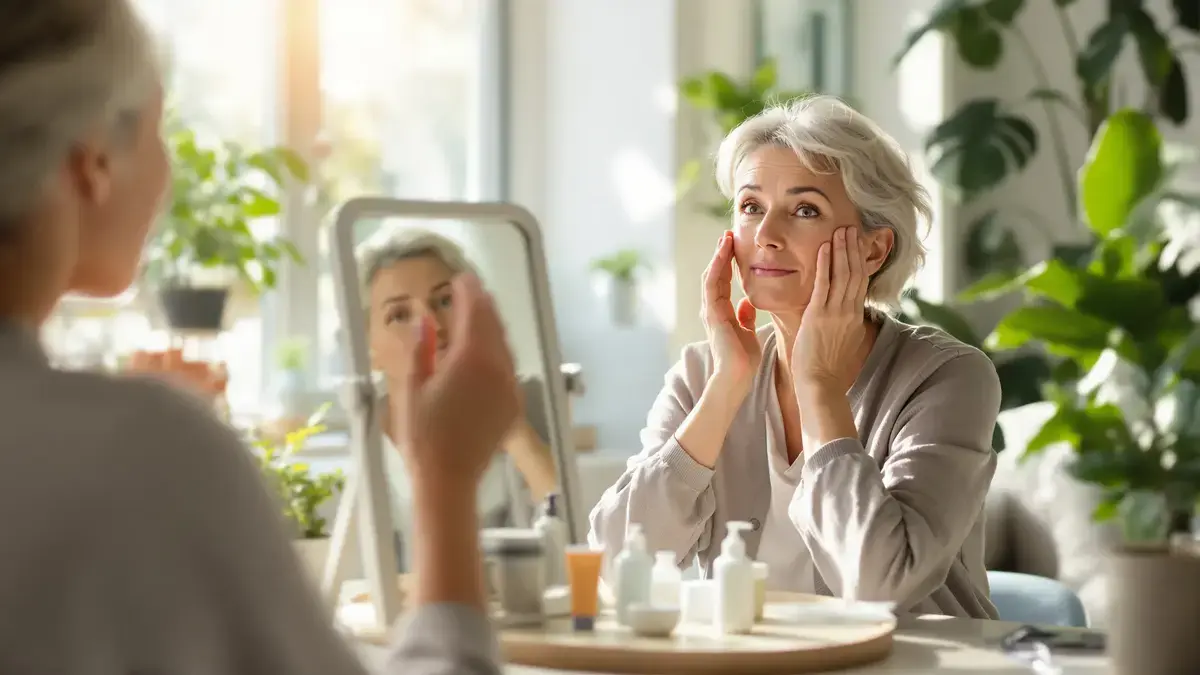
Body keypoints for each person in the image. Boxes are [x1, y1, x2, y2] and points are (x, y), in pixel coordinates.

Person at [0, 1, 508, 673]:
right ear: (93, 159)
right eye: (163, 131)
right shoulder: (138, 448)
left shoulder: (128, 447)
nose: (170, 174)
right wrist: (444, 481)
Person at [588, 95, 1001, 619]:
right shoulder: (701, 374)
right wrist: (725, 389)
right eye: (751, 207)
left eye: (805, 210)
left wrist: (820, 387)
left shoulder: (947, 377)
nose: (766, 235)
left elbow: (882, 584)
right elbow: (615, 564)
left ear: (873, 251)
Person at [357, 228, 560, 563]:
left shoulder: (527, 401)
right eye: (400, 315)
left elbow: (579, 535)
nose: (433, 326)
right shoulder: (363, 429)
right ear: (368, 345)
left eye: (445, 300)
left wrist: (509, 424)